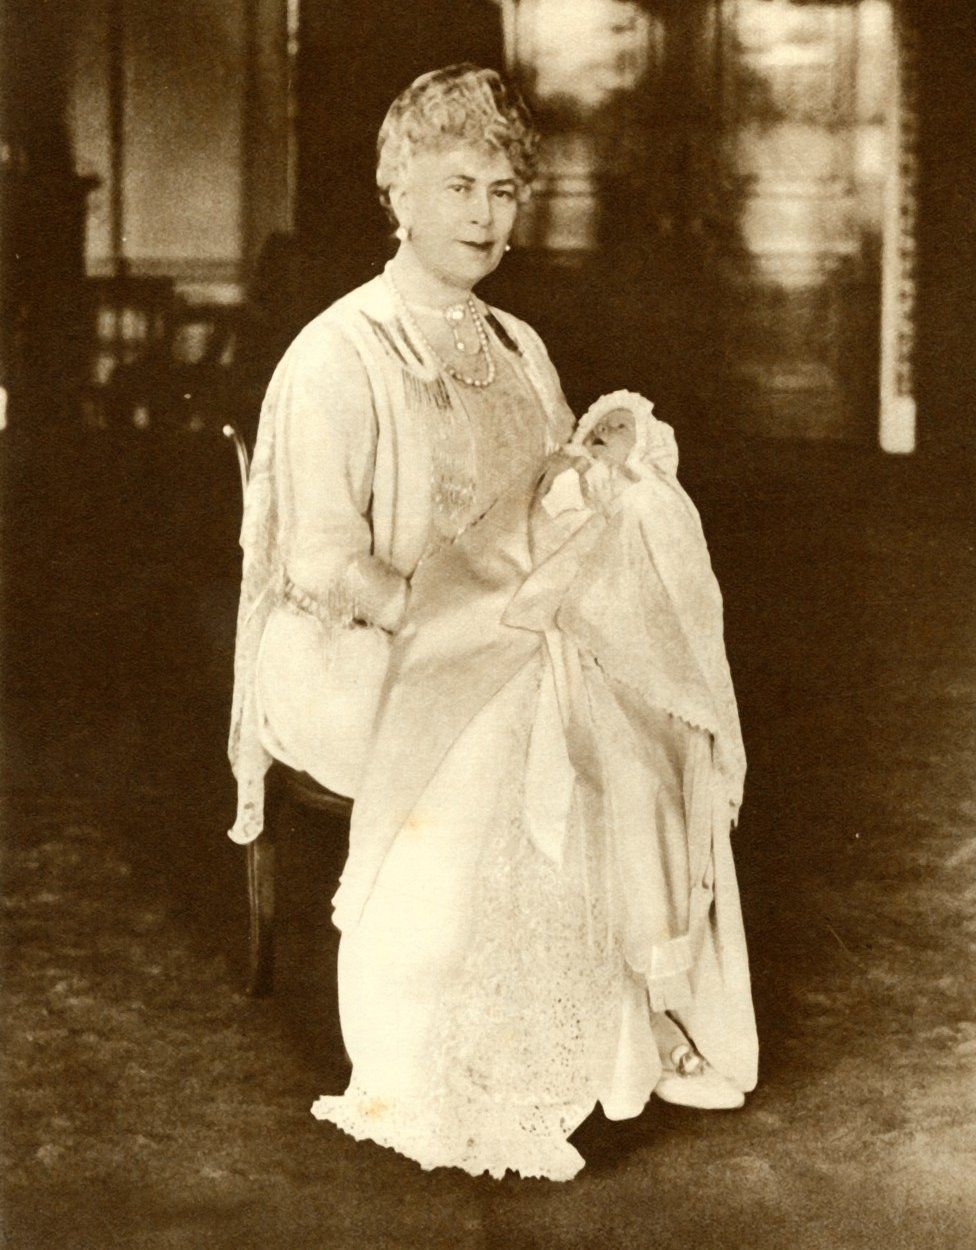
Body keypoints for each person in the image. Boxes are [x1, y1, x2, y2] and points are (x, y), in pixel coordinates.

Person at [312, 386, 758, 1179]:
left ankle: (617, 1026)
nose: (607, 442)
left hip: (569, 620)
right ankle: (464, 1047)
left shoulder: (549, 385)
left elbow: (656, 564)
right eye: (604, 429)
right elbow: (475, 545)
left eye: (625, 435)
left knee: (623, 759)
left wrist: (617, 499)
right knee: (497, 744)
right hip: (472, 603)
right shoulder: (363, 358)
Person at [227, 65, 571, 845]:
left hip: (498, 636)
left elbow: (562, 509)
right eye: (459, 187)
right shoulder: (340, 351)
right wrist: (447, 632)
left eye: (503, 189)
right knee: (488, 732)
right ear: (400, 194)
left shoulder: (522, 348)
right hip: (349, 647)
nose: (483, 215)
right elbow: (320, 560)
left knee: (618, 715)